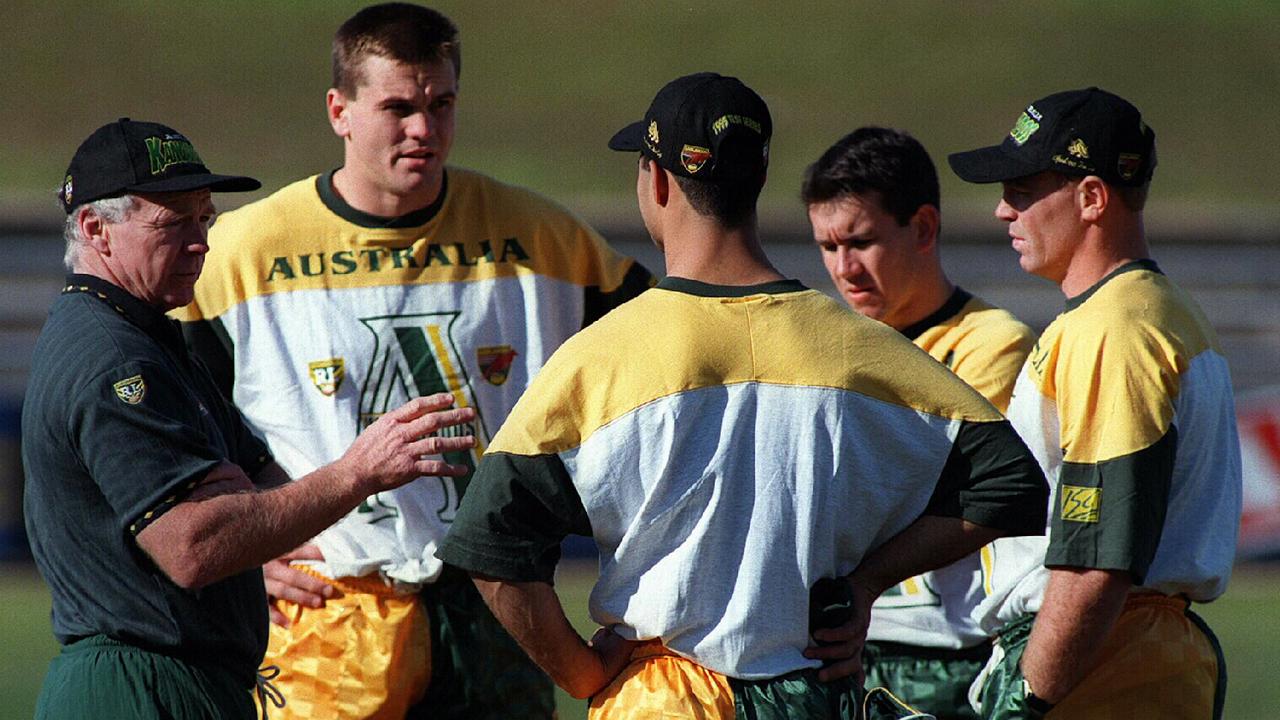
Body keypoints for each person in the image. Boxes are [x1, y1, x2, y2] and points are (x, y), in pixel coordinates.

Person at [437, 71, 1050, 720]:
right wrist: (866, 582)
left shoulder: (602, 356)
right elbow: (1010, 483)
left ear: (658, 182)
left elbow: (488, 542)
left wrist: (582, 669)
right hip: (809, 693)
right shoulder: (857, 347)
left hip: (660, 702)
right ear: (758, 181)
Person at [171, 4, 652, 718]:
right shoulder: (241, 254)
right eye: (398, 106)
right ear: (340, 110)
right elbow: (160, 422)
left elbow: (661, 367)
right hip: (329, 614)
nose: (424, 129)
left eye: (441, 103)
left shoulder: (545, 238)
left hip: (498, 601)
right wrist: (244, 545)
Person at [22, 118, 476, 720]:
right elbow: (193, 545)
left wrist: (246, 519)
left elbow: (259, 476)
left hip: (180, 681)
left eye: (204, 217)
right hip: (140, 688)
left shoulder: (149, 335)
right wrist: (356, 473)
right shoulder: (115, 358)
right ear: (94, 229)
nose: (200, 240)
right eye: (173, 221)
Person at [948, 87, 1241, 719]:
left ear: (1090, 197)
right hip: (1125, 651)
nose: (1003, 211)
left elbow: (1096, 559)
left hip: (1104, 662)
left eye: (1022, 189)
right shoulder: (1150, 312)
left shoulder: (1116, 329)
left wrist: (1026, 696)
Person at [802, 127, 1036, 719]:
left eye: (861, 241)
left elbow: (944, 493)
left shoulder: (993, 344)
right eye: (828, 247)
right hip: (837, 646)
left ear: (924, 228)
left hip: (948, 653)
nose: (844, 268)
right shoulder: (823, 344)